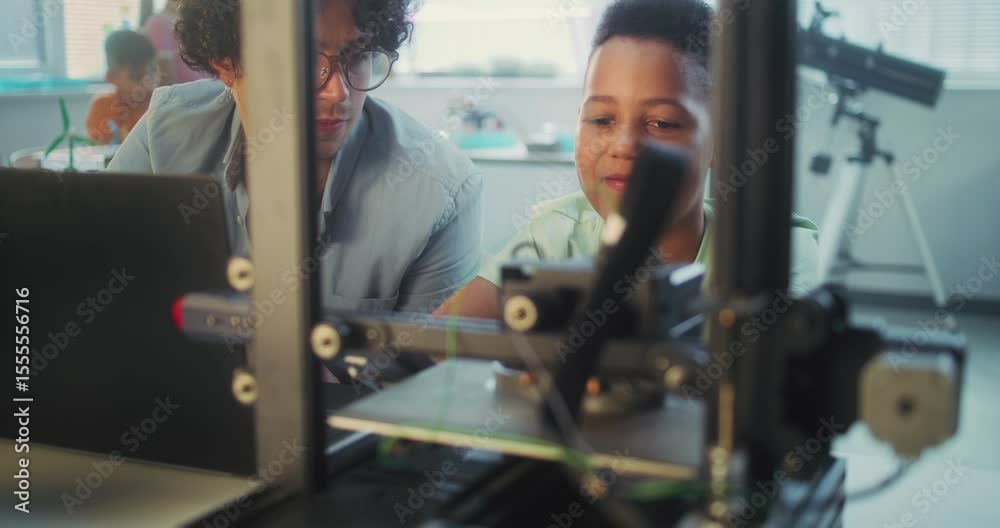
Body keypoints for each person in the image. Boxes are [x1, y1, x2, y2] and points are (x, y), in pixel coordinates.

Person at [434, 0, 819, 318]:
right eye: (602, 119)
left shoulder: (773, 251)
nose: (622, 145)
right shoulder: (555, 236)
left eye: (662, 123)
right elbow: (434, 349)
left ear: (722, 139)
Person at [108, 0, 482, 315]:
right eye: (304, 60)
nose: (338, 94)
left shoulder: (439, 193)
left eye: (358, 57)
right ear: (225, 62)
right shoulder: (164, 138)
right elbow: (97, 295)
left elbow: (433, 390)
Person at [86, 30, 159, 145]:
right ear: (111, 77)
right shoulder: (103, 106)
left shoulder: (159, 104)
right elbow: (102, 154)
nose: (148, 82)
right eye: (137, 76)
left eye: (153, 72)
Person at [142, 0, 206, 85]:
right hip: (187, 96)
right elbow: (166, 79)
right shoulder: (159, 23)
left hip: (204, 93)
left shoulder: (192, 22)